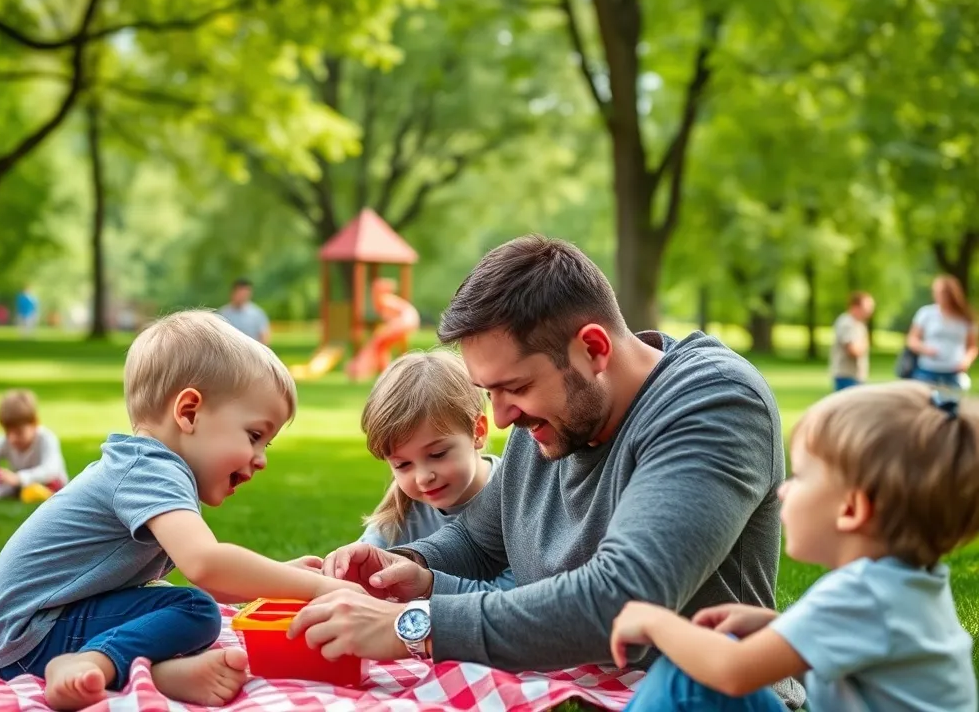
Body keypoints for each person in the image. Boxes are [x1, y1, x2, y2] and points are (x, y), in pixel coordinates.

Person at [289, 235, 805, 709]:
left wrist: (415, 624)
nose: (502, 416)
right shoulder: (553, 413)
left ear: (593, 349)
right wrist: (404, 568)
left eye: (513, 387)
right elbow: (479, 540)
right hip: (577, 683)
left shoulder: (714, 403)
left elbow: (620, 597)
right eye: (489, 391)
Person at [0, 310, 362, 711]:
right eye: (254, 435)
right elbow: (206, 565)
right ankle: (89, 662)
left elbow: (215, 578)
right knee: (194, 609)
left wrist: (283, 577)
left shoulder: (147, 466)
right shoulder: (150, 469)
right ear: (189, 412)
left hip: (24, 631)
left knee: (178, 602)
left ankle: (154, 674)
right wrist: (320, 588)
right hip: (29, 636)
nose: (261, 458)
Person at [610, 381, 978, 712]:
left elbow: (731, 672)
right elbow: (855, 643)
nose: (784, 489)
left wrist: (657, 621)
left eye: (801, 476)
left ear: (850, 509)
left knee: (686, 677)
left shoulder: (862, 593)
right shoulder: (905, 584)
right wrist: (779, 626)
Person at [354, 350, 515, 593]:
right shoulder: (401, 509)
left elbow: (514, 594)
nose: (423, 477)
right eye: (402, 465)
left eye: (437, 454)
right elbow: (364, 571)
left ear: (478, 432)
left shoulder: (516, 494)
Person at [0, 389, 68, 501]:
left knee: (38, 489)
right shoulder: (4, 441)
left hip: (52, 485)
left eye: (19, 432)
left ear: (34, 422)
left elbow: (51, 470)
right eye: (7, 432)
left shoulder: (46, 438)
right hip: (21, 485)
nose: (12, 438)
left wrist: (19, 478)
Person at [907, 274, 977, 390]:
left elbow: (972, 346)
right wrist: (924, 349)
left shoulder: (965, 318)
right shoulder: (926, 313)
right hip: (928, 370)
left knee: (950, 406)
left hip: (953, 372)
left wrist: (966, 361)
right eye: (936, 292)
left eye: (943, 293)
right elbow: (912, 339)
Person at [829, 291, 874, 391]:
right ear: (856, 306)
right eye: (867, 306)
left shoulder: (859, 324)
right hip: (846, 376)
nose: (870, 310)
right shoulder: (847, 323)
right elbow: (853, 350)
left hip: (856, 376)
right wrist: (865, 343)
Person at [217, 278, 270, 344]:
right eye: (240, 292)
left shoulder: (257, 314)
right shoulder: (222, 313)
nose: (243, 296)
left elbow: (264, 338)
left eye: (246, 293)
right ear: (233, 292)